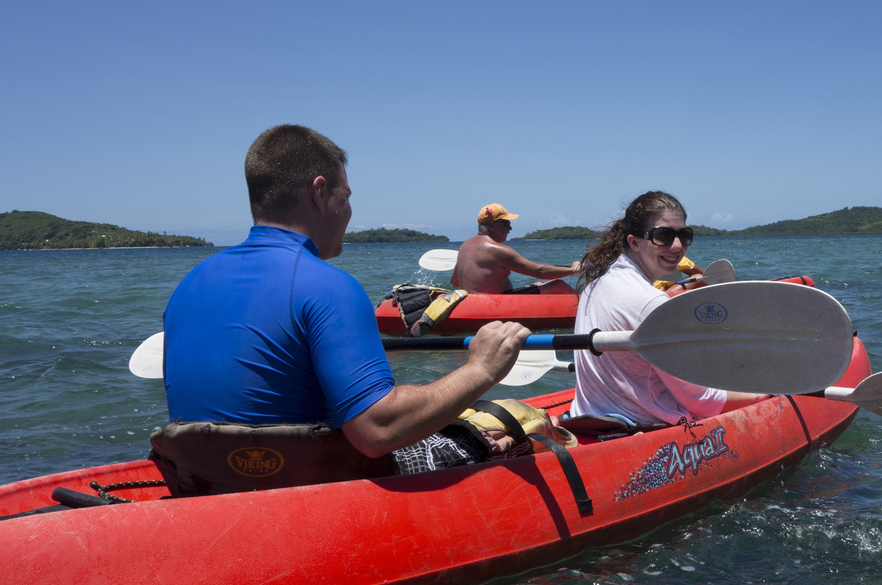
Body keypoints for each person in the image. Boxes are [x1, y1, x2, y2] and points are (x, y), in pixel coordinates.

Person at [162, 124, 530, 466]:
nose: (349, 209)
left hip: (209, 482)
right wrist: (480, 369)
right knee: (505, 438)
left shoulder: (188, 285)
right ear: (320, 192)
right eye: (346, 194)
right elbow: (377, 430)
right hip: (313, 489)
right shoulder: (328, 286)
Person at [566, 191, 765, 426]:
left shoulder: (594, 285)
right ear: (634, 242)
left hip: (586, 416)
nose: (678, 245)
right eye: (663, 236)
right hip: (641, 427)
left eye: (684, 235)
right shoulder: (652, 304)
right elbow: (703, 402)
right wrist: (767, 393)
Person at [451, 203, 581, 294]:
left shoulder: (464, 246)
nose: (510, 228)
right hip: (495, 304)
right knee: (558, 285)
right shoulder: (497, 250)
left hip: (472, 303)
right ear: (492, 225)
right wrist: (574, 270)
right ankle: (582, 315)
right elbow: (539, 271)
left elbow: (454, 282)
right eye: (506, 223)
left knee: (537, 285)